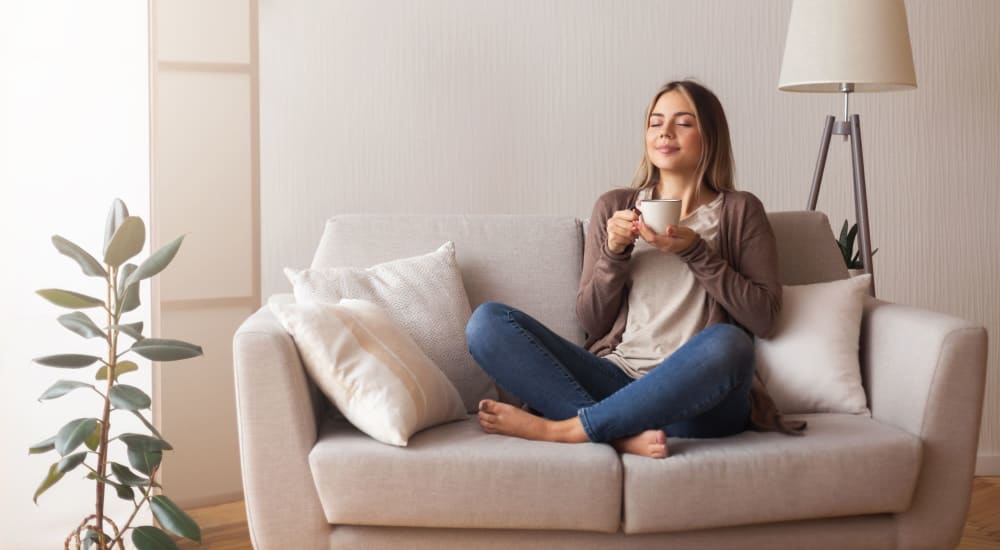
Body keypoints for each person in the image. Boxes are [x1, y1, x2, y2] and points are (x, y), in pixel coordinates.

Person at [465, 79, 804, 459]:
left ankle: (565, 429)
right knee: (487, 323)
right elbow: (592, 321)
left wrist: (696, 251)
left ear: (710, 135)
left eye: (683, 122)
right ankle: (618, 435)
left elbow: (764, 318)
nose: (665, 133)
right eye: (656, 122)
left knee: (730, 343)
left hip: (698, 403)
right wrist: (614, 252)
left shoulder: (740, 211)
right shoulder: (615, 207)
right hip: (618, 382)